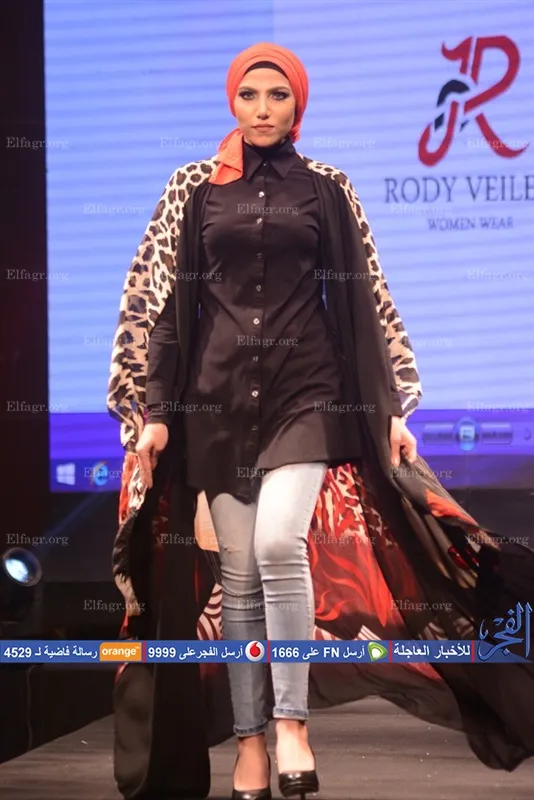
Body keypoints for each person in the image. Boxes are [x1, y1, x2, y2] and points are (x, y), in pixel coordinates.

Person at [107, 42, 534, 800]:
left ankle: (291, 724)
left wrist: (392, 407)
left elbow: (365, 299)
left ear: (298, 105)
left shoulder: (328, 189)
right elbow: (168, 312)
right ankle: (249, 743)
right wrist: (157, 413)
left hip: (308, 394)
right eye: (249, 95)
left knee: (279, 543)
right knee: (238, 575)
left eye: (278, 95)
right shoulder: (195, 189)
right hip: (215, 405)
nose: (262, 109)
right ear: (232, 102)